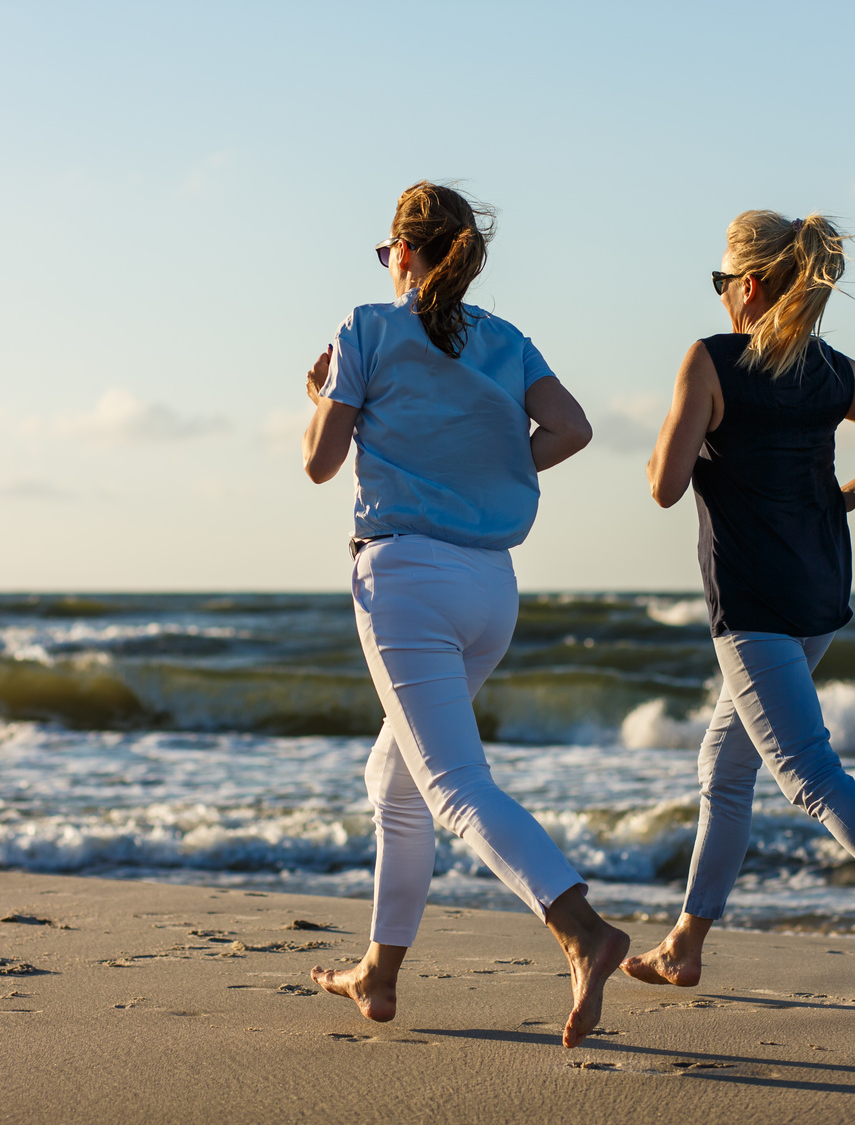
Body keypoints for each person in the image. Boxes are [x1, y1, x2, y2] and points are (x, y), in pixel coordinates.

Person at [300, 181, 629, 1048]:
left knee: (451, 787)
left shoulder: (366, 329)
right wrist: (494, 468)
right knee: (396, 780)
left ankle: (581, 927)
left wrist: (323, 393)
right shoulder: (507, 341)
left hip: (406, 574)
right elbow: (573, 429)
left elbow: (320, 465)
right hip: (491, 586)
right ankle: (379, 970)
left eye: (385, 252)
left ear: (403, 254)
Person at [624, 210, 855, 1014]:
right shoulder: (829, 370)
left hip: (752, 603)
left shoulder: (709, 362)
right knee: (725, 765)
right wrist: (840, 499)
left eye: (721, 283)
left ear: (748, 287)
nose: (719, 298)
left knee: (809, 774)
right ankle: (684, 944)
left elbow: (664, 484)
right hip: (818, 593)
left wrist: (663, 439)